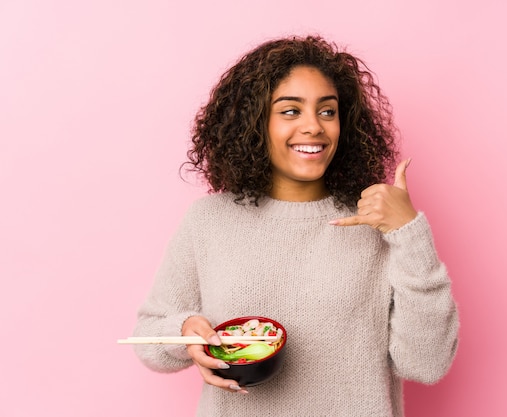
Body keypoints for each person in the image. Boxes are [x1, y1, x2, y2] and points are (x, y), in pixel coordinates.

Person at [132, 35, 459, 417]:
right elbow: (147, 338)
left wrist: (409, 232)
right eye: (290, 111)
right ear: (255, 122)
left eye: (327, 111)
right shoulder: (209, 221)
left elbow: (426, 364)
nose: (313, 127)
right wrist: (186, 330)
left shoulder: (379, 225)